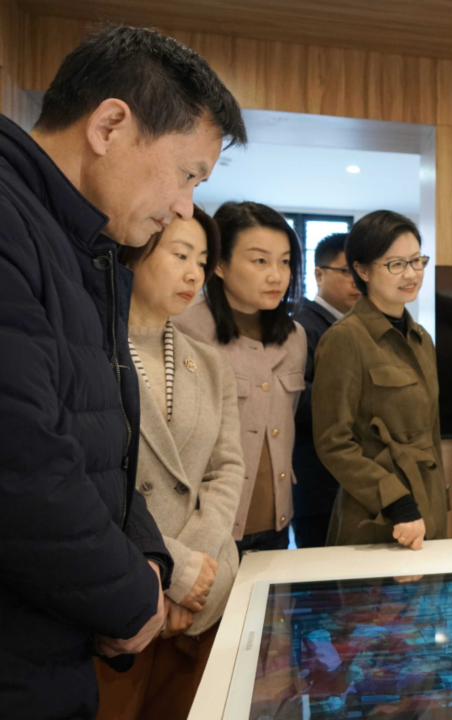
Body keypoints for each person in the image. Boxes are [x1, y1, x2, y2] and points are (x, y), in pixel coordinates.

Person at [0, 25, 244, 718]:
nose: (185, 207)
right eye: (187, 173)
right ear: (109, 125)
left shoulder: (80, 249)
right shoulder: (14, 223)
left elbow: (103, 451)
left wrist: (151, 561)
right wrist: (135, 596)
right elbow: (22, 462)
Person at [95, 207, 245, 720]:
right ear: (133, 253)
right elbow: (92, 482)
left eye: (202, 262)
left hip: (206, 594)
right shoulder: (92, 350)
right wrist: (171, 570)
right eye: (180, 255)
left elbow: (226, 469)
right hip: (125, 592)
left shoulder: (210, 362)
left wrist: (196, 570)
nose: (193, 274)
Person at [175, 202, 306, 556]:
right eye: (260, 260)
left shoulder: (294, 337)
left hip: (277, 521)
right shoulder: (184, 329)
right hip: (205, 525)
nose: (276, 276)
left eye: (284, 262)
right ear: (219, 263)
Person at [313, 211, 446, 549]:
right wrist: (395, 500)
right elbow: (333, 442)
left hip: (428, 504)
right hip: (377, 512)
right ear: (362, 270)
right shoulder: (346, 338)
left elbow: (431, 434)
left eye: (416, 261)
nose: (411, 273)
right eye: (396, 264)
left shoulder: (421, 338)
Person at [292, 232, 361, 548]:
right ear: (319, 274)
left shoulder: (356, 326)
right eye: (346, 271)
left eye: (360, 272)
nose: (356, 282)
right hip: (317, 482)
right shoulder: (301, 325)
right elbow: (297, 398)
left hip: (349, 480)